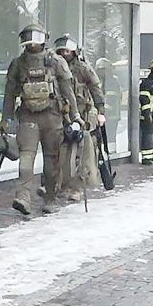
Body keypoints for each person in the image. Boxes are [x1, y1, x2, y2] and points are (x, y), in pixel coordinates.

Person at [0, 23, 81, 215]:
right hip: (30, 116)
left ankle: (49, 198)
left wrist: (75, 115)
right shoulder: (19, 64)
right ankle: (23, 197)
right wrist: (5, 118)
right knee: (27, 158)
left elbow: (68, 91)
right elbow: (9, 93)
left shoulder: (55, 61)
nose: (32, 46)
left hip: (52, 116)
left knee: (50, 160)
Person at [54, 35, 106, 202]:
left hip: (82, 116)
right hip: (60, 116)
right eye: (61, 51)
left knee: (82, 153)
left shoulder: (83, 68)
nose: (64, 53)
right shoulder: (54, 68)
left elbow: (96, 88)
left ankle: (76, 187)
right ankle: (57, 184)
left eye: (67, 51)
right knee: (58, 152)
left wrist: (100, 111)